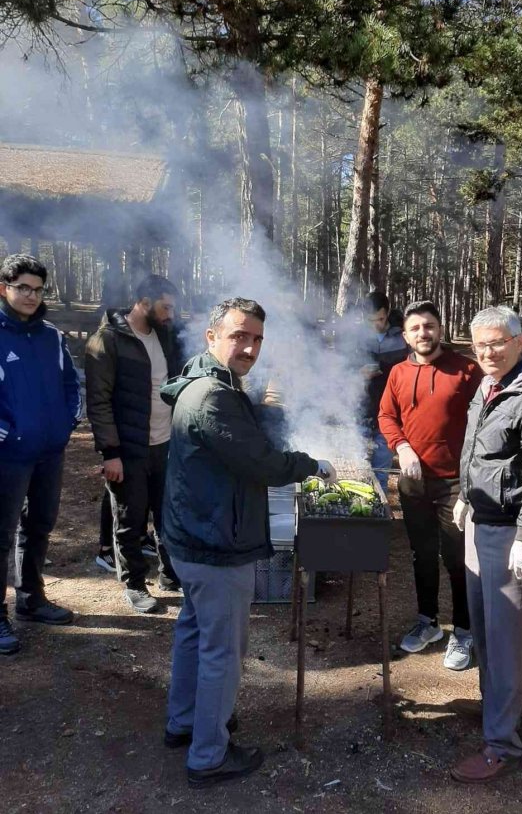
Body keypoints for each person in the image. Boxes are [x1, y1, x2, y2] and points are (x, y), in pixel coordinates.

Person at [160, 297, 336, 787]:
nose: (250, 347)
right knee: (222, 651)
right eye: (239, 335)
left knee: (194, 634)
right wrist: (311, 465)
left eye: (257, 338)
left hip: (194, 534)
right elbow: (260, 462)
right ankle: (209, 755)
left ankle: (186, 723)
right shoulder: (213, 397)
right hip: (216, 543)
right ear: (211, 336)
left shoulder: (206, 382)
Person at [450, 305, 522, 784]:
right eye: (479, 345)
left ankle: (503, 745)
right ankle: (493, 717)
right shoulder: (487, 386)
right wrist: (463, 496)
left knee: (503, 641)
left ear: (519, 342)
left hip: (508, 532)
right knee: (483, 633)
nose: (487, 352)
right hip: (480, 522)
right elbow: (478, 448)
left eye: (497, 342)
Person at [378, 300, 482, 669]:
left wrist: (471, 480)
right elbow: (386, 416)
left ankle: (464, 632)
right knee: (421, 554)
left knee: (457, 558)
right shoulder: (398, 374)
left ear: (440, 329)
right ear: (405, 336)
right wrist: (402, 447)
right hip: (413, 482)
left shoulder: (467, 370)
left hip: (455, 482)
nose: (423, 333)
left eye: (429, 326)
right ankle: (428, 623)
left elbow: (484, 424)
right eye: (416, 328)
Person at [85, 274, 184, 613]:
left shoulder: (165, 336)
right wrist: (110, 452)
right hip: (128, 449)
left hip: (165, 443)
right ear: (144, 301)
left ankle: (170, 575)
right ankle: (135, 584)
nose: (171, 314)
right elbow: (98, 401)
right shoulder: (108, 340)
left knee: (168, 513)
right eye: (165, 306)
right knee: (130, 517)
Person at [0, 254, 80, 655]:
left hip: (50, 450)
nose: (31, 296)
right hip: (8, 455)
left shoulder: (52, 336)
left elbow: (71, 383)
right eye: (22, 288)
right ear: (4, 288)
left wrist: (67, 424)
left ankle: (30, 598)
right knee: (1, 533)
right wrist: (7, 434)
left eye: (37, 289)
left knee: (40, 525)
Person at [360, 291, 409, 493]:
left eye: (380, 319)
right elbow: (340, 369)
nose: (376, 325)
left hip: (391, 412)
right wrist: (358, 373)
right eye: (371, 321)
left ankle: (378, 514)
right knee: (359, 467)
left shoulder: (404, 336)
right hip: (361, 409)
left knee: (381, 469)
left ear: (387, 313)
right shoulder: (355, 337)